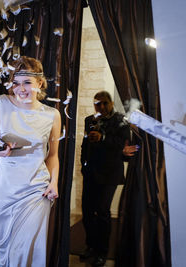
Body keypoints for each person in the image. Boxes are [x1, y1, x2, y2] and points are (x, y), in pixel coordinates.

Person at [0, 56, 61, 267]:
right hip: (4, 191)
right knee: (8, 256)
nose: (21, 89)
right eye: (16, 83)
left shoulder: (52, 115)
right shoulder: (1, 103)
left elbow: (53, 155)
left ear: (39, 83)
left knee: (27, 252)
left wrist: (54, 182)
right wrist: (3, 151)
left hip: (35, 191)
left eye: (27, 82)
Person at [80, 91, 137, 266]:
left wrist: (103, 137)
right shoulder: (90, 120)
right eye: (98, 103)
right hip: (91, 173)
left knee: (103, 212)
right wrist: (83, 164)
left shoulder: (121, 120)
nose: (102, 107)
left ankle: (102, 252)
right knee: (87, 212)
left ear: (111, 103)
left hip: (110, 173)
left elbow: (124, 145)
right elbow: (85, 143)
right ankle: (91, 246)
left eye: (105, 103)